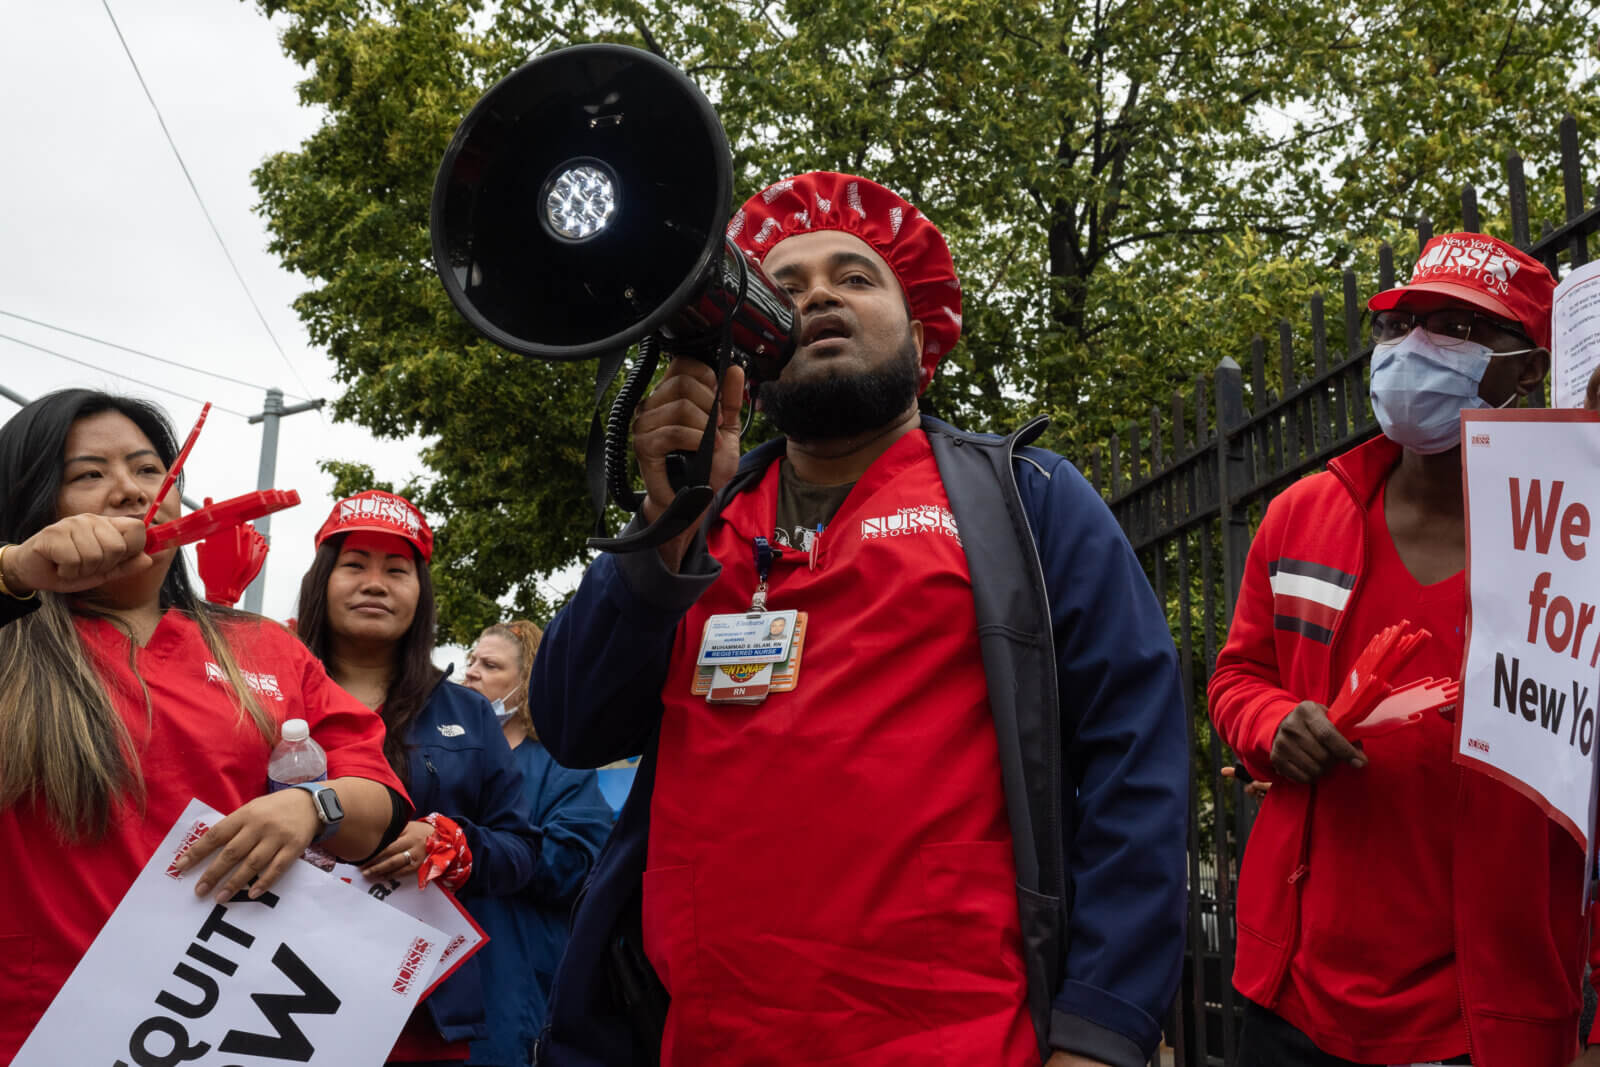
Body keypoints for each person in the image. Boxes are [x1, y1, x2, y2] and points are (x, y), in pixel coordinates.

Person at [530, 173, 1188, 1067]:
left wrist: (1101, 1029)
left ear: (921, 337)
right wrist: (663, 525)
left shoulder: (1030, 502)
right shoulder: (700, 515)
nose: (819, 298)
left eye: (855, 278)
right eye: (786, 287)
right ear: (747, 343)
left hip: (963, 1039)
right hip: (708, 1038)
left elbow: (1137, 762)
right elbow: (572, 723)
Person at [1209, 231, 1600, 1067]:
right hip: (1293, 1002)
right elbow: (1239, 674)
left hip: (1482, 1021)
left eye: (1458, 327)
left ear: (1525, 370)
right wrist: (1271, 722)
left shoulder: (1576, 545)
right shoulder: (1302, 514)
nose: (1416, 348)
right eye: (1402, 324)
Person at [0, 390, 407, 1061]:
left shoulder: (267, 649)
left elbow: (379, 801)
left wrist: (312, 805)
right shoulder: (14, 639)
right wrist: (15, 571)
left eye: (148, 469)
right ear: (34, 498)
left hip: (221, 1029)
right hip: (38, 1026)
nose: (130, 492)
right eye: (89, 474)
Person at [293, 491, 544, 1066]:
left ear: (420, 594)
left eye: (397, 570)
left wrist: (456, 846)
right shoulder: (266, 691)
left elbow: (521, 850)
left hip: (420, 1007)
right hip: (268, 987)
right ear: (321, 581)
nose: (375, 583)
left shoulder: (467, 712)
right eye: (354, 565)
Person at [460, 619, 613, 1067]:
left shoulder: (560, 769)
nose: (471, 671)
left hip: (512, 981)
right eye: (471, 660)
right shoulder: (437, 757)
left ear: (525, 685)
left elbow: (576, 866)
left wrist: (479, 848)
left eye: (489, 665)